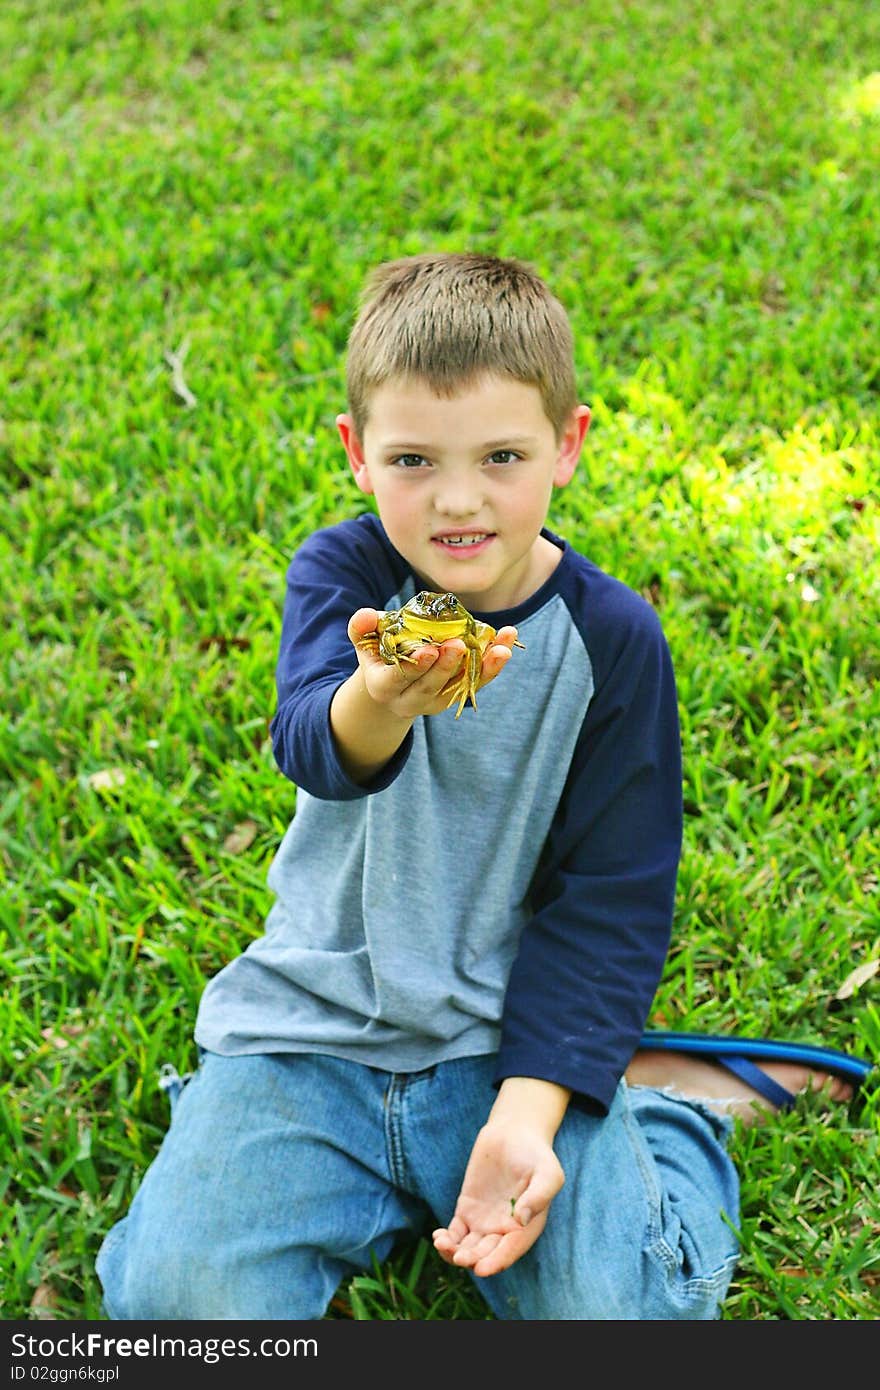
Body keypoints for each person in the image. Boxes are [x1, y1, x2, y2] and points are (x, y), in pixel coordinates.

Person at [96, 253, 865, 1322]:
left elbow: (610, 897)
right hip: (313, 1029)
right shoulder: (347, 579)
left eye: (501, 454)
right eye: (413, 458)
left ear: (568, 447)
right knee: (178, 1303)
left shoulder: (613, 641)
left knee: (616, 1312)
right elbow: (315, 744)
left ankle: (663, 1118)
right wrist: (384, 696)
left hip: (507, 1037)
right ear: (357, 455)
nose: (457, 500)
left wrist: (531, 1105)